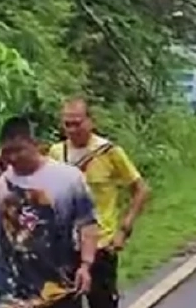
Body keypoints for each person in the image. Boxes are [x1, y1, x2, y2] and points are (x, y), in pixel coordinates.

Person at [0, 116, 99, 308]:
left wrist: (86, 266)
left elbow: (87, 224)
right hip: (10, 294)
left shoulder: (68, 178)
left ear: (35, 144)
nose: (13, 158)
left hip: (59, 289)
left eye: (19, 150)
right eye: (7, 152)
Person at [49, 99, 150, 308]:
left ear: (90, 122)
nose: (73, 129)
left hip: (101, 244)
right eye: (68, 124)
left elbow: (141, 189)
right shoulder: (56, 153)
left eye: (78, 123)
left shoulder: (109, 152)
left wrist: (124, 229)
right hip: (65, 246)